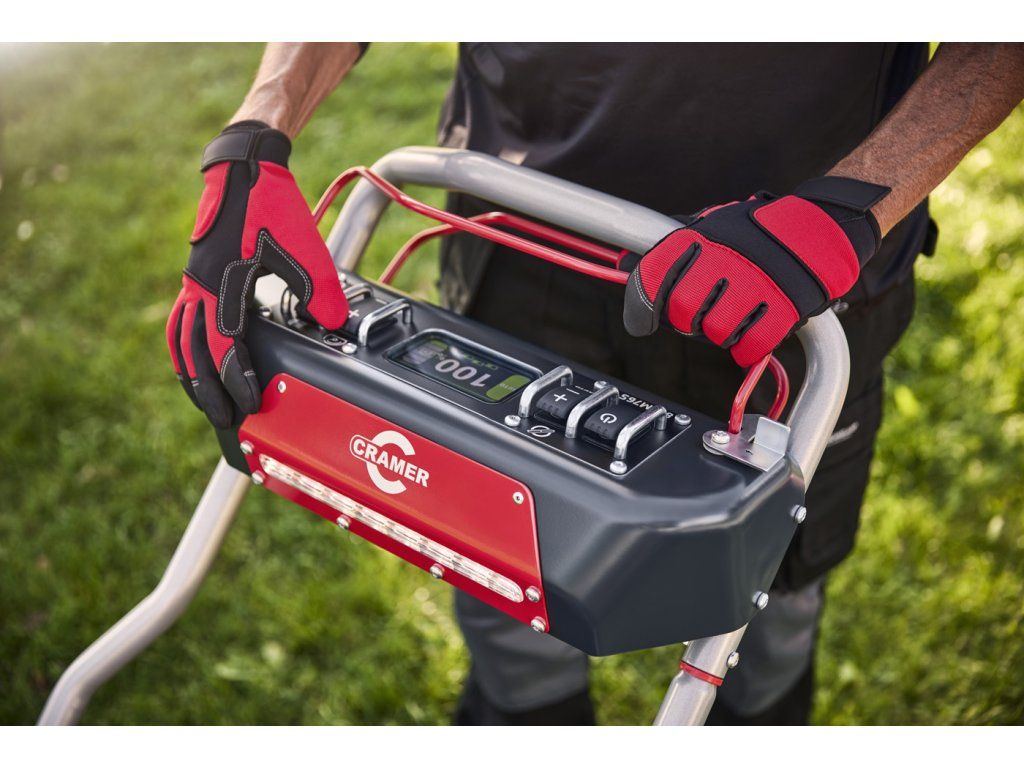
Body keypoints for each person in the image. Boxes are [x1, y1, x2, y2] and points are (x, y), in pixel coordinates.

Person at [166, 43, 1024, 725]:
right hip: (516, 238)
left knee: (766, 603)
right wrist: (256, 131)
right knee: (502, 588)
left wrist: (850, 205)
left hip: (786, 280)